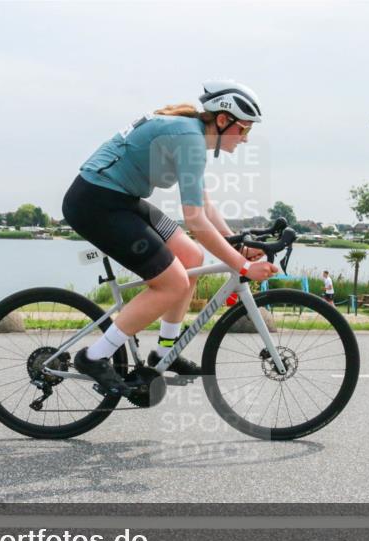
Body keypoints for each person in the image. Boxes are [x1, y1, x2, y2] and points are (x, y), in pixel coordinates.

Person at [63, 80, 279, 394]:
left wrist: (237, 244)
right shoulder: (190, 139)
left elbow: (203, 204)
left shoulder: (192, 136)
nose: (245, 138)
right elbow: (195, 220)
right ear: (222, 120)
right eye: (244, 129)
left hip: (121, 198)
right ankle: (94, 357)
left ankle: (165, 351)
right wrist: (243, 267)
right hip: (95, 201)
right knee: (172, 282)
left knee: (192, 257)